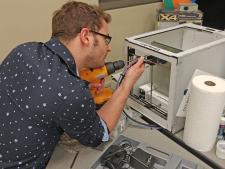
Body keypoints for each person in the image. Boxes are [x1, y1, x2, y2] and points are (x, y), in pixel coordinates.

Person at [0, 1, 145, 169]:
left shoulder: (24, 50)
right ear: (86, 36)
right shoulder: (70, 91)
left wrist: (82, 90)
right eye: (106, 39)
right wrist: (127, 83)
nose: (109, 48)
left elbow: (39, 98)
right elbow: (99, 134)